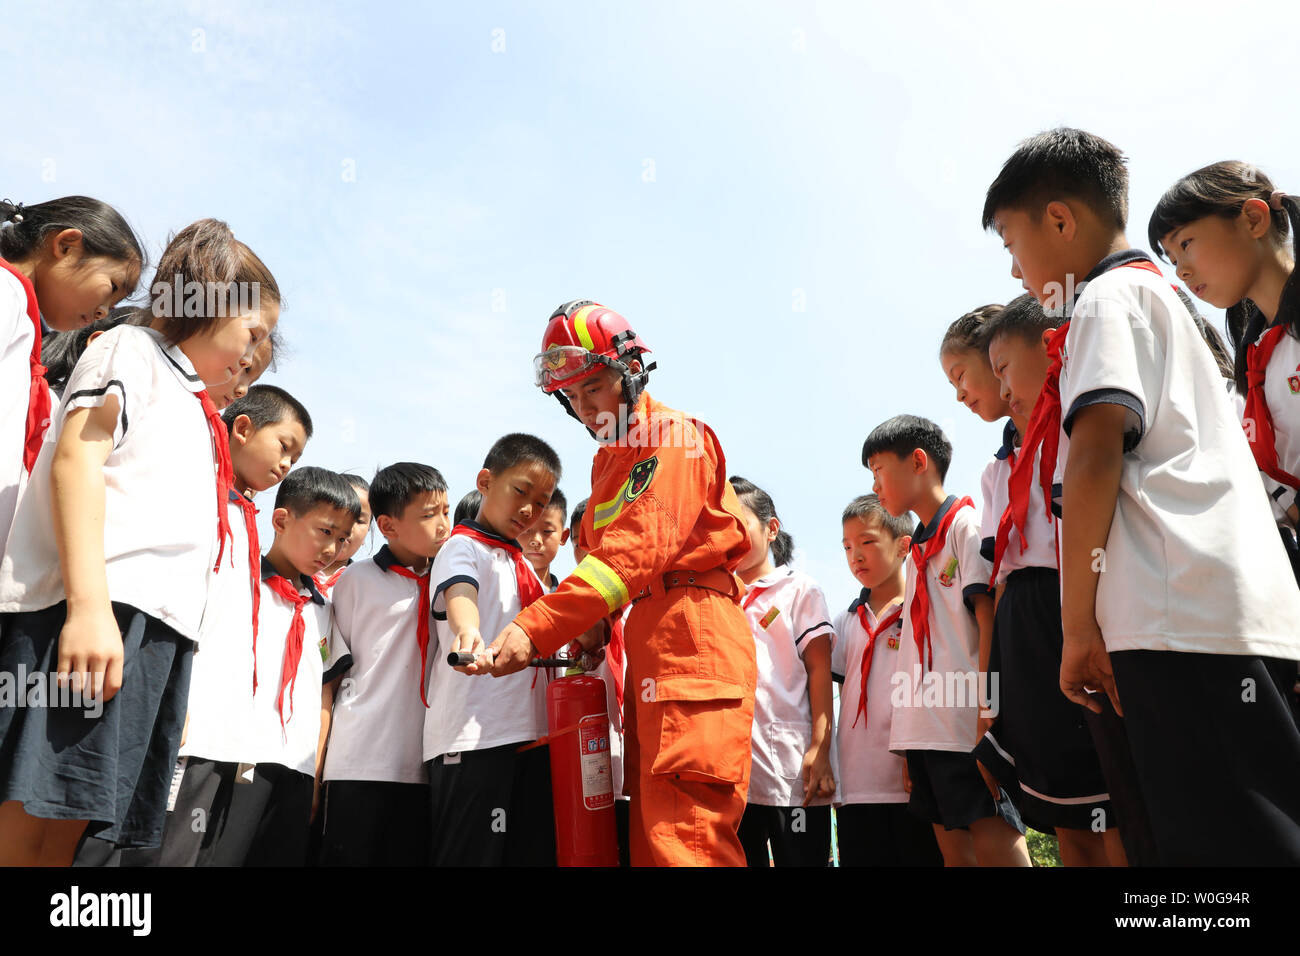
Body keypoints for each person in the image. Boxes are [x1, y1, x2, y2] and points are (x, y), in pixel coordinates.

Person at [983, 127, 1300, 863]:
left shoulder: (1108, 297)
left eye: (1010, 240)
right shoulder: (1164, 301)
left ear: (1059, 219)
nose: (1012, 266)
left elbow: (1096, 453)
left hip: (1176, 618)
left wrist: (1077, 628)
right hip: (1222, 613)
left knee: (1219, 851)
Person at [0, 217, 278, 865]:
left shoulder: (192, 400)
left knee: (74, 815)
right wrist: (88, 610)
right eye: (252, 332)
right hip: (87, 613)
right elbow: (78, 459)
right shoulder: (131, 350)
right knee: (25, 805)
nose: (252, 354)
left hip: (151, 633)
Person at [472, 300, 757, 867]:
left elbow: (637, 549)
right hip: (656, 637)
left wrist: (539, 628)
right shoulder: (609, 465)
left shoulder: (674, 436)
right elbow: (604, 561)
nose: (586, 408)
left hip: (692, 633)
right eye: (572, 397)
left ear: (630, 372)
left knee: (687, 840)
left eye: (595, 387)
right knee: (656, 839)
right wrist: (595, 627)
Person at [144, 386, 312, 866]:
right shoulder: (199, 489)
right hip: (186, 716)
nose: (287, 465)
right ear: (242, 428)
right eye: (284, 446)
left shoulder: (243, 514)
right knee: (157, 852)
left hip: (222, 730)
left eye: (295, 457)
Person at [981, 295, 1121, 866]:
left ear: (1048, 347)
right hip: (1027, 622)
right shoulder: (999, 463)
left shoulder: (1081, 422)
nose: (999, 389)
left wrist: (1080, 619)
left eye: (999, 370)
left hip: (1081, 600)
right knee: (1060, 798)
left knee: (1112, 790)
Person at [862, 414, 1029, 866]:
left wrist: (988, 708)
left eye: (878, 471)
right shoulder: (914, 553)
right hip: (925, 730)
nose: (875, 486)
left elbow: (987, 615)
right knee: (954, 852)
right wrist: (906, 738)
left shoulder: (965, 527)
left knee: (997, 837)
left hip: (965, 723)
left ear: (918, 461)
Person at [1148, 161, 1300, 567]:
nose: (1180, 268)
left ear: (1253, 218)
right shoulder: (1255, 362)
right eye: (1170, 255)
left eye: (1186, 243)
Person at [424, 433, 560, 866]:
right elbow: (460, 591)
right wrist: (468, 632)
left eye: (541, 503)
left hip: (528, 734)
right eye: (521, 491)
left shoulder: (524, 568)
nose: (529, 510)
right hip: (475, 739)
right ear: (485, 480)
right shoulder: (463, 546)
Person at [0, 196, 143, 566]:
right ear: (66, 245)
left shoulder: (21, 313)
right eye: (112, 288)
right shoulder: (6, 293)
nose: (101, 313)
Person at [321, 462, 450, 866]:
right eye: (429, 515)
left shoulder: (454, 580)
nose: (443, 524)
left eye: (446, 511)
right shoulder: (355, 580)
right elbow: (333, 672)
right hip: (357, 760)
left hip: (425, 764)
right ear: (389, 527)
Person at [242, 466, 357, 866]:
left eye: (342, 539)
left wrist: (317, 769)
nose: (333, 548)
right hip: (239, 754)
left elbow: (324, 691)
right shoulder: (242, 583)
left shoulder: (322, 611)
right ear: (281, 520)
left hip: (298, 765)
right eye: (325, 531)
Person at [729, 476, 835, 867]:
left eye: (741, 524)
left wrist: (820, 751)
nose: (732, 536)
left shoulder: (798, 589)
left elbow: (820, 672)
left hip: (794, 775)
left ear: (771, 528)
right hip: (734, 780)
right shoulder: (716, 599)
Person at [832, 494, 942, 867]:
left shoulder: (925, 610)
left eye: (866, 542)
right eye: (847, 546)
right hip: (854, 786)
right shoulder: (844, 622)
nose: (855, 556)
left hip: (911, 783)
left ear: (903, 546)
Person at [567, 496, 630, 865]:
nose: (591, 548)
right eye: (582, 540)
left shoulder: (647, 598)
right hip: (595, 756)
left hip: (638, 755)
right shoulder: (573, 599)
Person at [316, 473, 372, 596]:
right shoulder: (286, 576)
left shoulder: (370, 588)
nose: (348, 527)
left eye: (359, 521)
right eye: (342, 514)